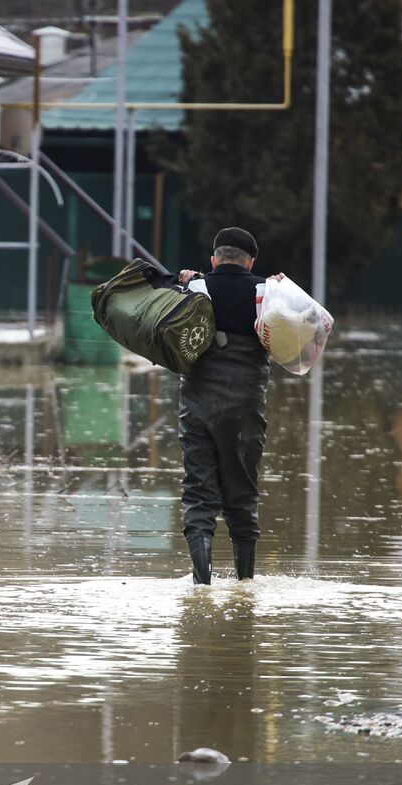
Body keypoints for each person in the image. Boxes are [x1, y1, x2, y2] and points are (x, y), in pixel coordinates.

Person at [173, 227, 282, 585]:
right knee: (242, 494)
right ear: (251, 261)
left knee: (199, 492)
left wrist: (189, 281)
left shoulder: (195, 289)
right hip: (246, 409)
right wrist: (282, 287)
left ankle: (201, 584)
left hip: (198, 407)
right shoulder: (268, 292)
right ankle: (245, 583)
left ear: (214, 259)